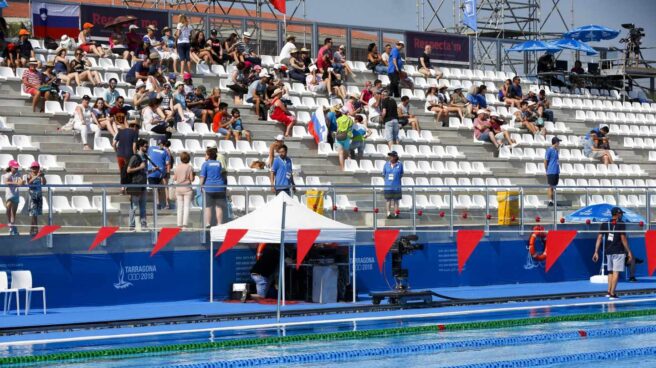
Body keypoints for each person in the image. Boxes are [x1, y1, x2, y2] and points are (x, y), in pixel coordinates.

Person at [592, 207, 633, 300]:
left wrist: (596, 252)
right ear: (617, 214)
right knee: (616, 272)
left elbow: (599, 238)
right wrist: (629, 251)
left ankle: (608, 291)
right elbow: (623, 238)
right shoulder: (621, 223)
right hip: (618, 251)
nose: (622, 215)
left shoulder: (604, 224)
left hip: (608, 251)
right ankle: (612, 294)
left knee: (610, 272)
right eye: (621, 214)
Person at [126, 139, 152, 231]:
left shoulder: (145, 157)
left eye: (147, 146)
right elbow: (128, 170)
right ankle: (132, 226)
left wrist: (153, 170)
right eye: (145, 146)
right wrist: (139, 167)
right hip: (136, 184)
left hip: (143, 184)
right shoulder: (135, 157)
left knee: (143, 207)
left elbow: (144, 171)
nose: (147, 148)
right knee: (134, 206)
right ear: (140, 147)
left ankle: (144, 225)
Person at [200, 147, 227, 227]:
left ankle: (208, 223)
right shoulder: (219, 163)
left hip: (209, 188)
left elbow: (202, 177)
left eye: (206, 155)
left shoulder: (205, 164)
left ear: (208, 156)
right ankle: (219, 223)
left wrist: (201, 186)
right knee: (219, 207)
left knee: (208, 206)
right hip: (220, 187)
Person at [148, 138, 172, 210]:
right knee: (165, 188)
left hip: (155, 171)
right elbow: (168, 163)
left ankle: (159, 203)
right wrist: (168, 173)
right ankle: (166, 204)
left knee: (157, 188)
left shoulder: (152, 148)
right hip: (163, 171)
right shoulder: (166, 151)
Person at [173, 151, 195, 229]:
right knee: (186, 207)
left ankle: (179, 224)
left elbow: (174, 178)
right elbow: (192, 179)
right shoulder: (189, 167)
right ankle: (185, 225)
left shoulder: (177, 167)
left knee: (180, 207)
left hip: (178, 188)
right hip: (187, 188)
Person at [25, 161, 46, 236]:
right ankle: (35, 229)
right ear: (31, 168)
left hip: (39, 196)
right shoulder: (29, 175)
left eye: (36, 168)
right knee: (33, 213)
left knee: (36, 214)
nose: (35, 169)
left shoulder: (40, 175)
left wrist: (42, 176)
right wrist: (37, 176)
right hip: (32, 196)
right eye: (33, 168)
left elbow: (44, 183)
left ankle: (32, 229)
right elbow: (29, 183)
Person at [3, 160, 24, 235]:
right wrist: (15, 183)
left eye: (17, 168)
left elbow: (21, 182)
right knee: (8, 208)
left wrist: (21, 182)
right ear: (11, 167)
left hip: (16, 194)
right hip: (9, 194)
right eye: (15, 168)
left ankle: (12, 226)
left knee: (14, 212)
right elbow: (5, 182)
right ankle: (9, 223)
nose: (16, 169)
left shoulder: (19, 174)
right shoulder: (7, 174)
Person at [382, 151, 403, 219]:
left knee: (396, 200)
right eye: (390, 156)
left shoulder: (400, 164)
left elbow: (401, 174)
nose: (391, 157)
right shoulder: (386, 164)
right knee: (388, 200)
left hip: (396, 186)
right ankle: (388, 213)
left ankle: (396, 213)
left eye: (392, 156)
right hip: (388, 186)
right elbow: (384, 174)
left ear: (395, 157)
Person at [545, 136, 561, 207]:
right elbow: (545, 161)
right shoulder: (549, 150)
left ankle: (553, 201)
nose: (559, 143)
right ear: (556, 142)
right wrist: (547, 170)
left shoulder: (556, 150)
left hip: (556, 171)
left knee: (554, 187)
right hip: (551, 170)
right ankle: (550, 201)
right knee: (550, 186)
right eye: (558, 142)